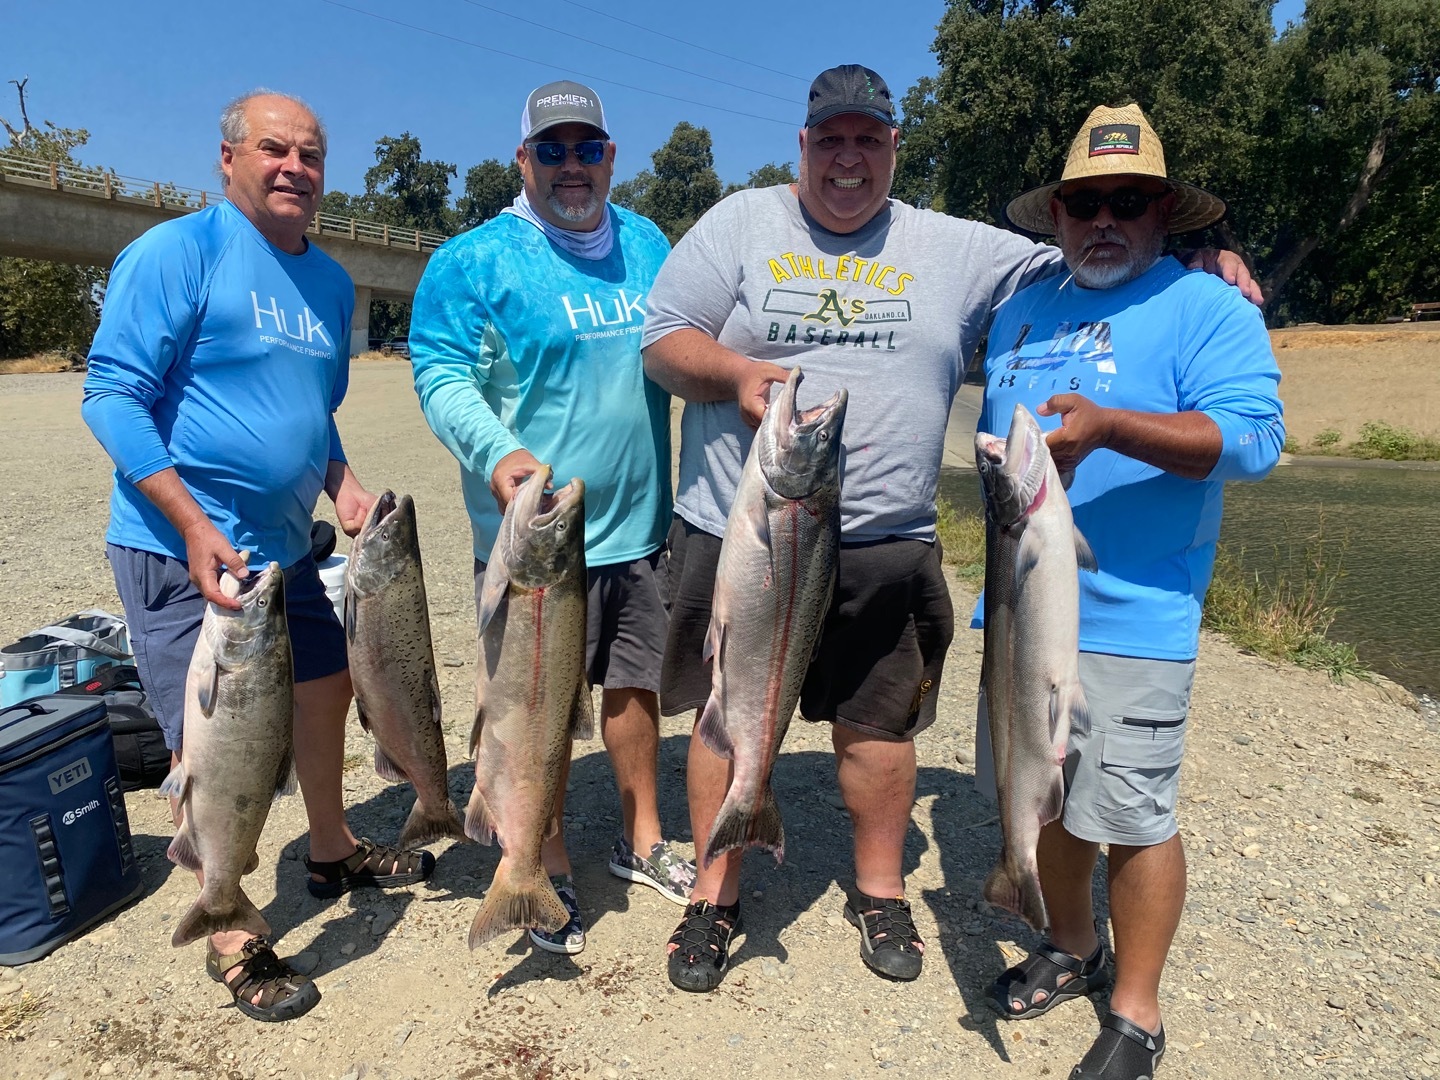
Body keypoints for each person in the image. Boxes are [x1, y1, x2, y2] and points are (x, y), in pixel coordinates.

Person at [641, 65, 1261, 994]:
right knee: (729, 709)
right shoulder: (738, 221)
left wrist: (1207, 261)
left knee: (881, 725)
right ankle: (713, 895)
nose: (849, 158)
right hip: (747, 533)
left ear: (895, 148)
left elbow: (1097, 266)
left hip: (891, 538)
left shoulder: (964, 249)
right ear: (804, 145)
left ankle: (881, 891)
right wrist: (733, 374)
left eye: (869, 140)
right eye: (831, 139)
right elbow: (661, 339)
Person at [82, 90, 435, 1024]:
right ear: (228, 158)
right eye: (273, 149)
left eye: (311, 155)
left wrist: (344, 487)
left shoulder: (326, 283)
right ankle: (229, 921)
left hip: (283, 551)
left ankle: (330, 848)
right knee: (204, 739)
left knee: (328, 687)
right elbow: (111, 397)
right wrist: (195, 524)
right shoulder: (178, 253)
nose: (294, 168)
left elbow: (311, 416)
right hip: (180, 549)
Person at [973, 104, 1284, 1080]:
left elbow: (1253, 440)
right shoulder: (1021, 310)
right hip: (1015, 616)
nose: (1103, 220)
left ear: (1165, 215)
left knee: (1135, 818)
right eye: (1083, 203)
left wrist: (1111, 427)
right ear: (1056, 214)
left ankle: (1138, 1014)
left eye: (1129, 201)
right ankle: (1072, 944)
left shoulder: (1206, 308)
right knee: (1048, 802)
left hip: (1137, 621)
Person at [407, 79, 694, 956]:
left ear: (611, 156)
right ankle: (544, 861)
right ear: (522, 160)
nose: (573, 167)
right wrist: (498, 455)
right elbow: (440, 372)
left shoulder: (647, 242)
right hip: (533, 549)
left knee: (634, 686)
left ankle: (642, 837)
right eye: (553, 150)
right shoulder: (473, 261)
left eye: (589, 149)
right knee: (536, 710)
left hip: (639, 527)